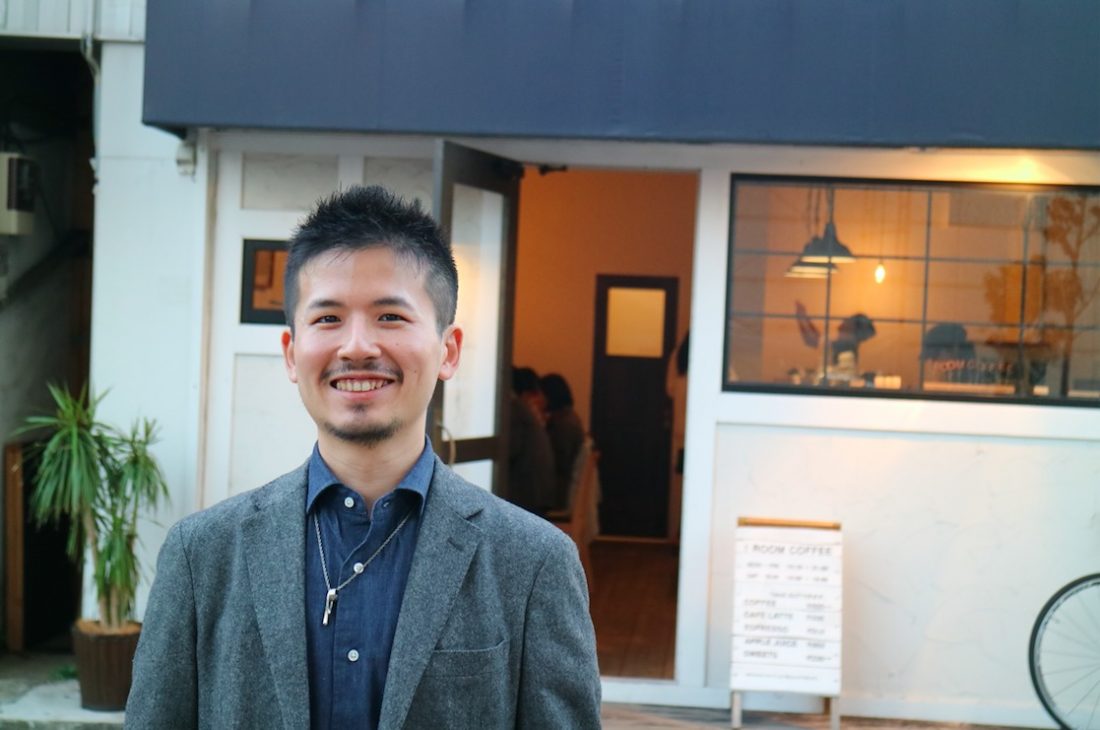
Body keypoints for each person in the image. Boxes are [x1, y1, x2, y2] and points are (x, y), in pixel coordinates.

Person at [125, 186, 601, 729]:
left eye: (390, 317)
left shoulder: (533, 563)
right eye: (328, 318)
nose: (356, 346)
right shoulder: (201, 555)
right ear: (291, 353)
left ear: (448, 351)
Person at [506, 367, 556, 516]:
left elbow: (508, 452)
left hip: (527, 497)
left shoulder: (514, 409)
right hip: (539, 493)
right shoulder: (521, 409)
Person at [539, 373, 585, 512]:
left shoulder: (564, 425)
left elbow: (558, 462)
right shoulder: (569, 417)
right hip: (562, 487)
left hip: (558, 494)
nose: (539, 399)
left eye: (541, 394)